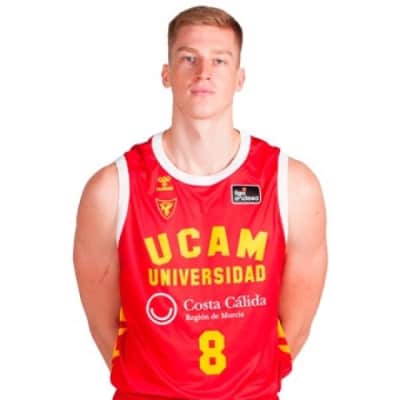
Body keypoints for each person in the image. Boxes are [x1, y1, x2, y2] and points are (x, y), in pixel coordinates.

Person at [73, 5, 328, 400]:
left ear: (240, 77)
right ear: (166, 74)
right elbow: (102, 325)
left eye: (220, 60)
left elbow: (295, 328)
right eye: (188, 58)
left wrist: (241, 386)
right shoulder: (111, 189)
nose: (203, 72)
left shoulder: (292, 185)